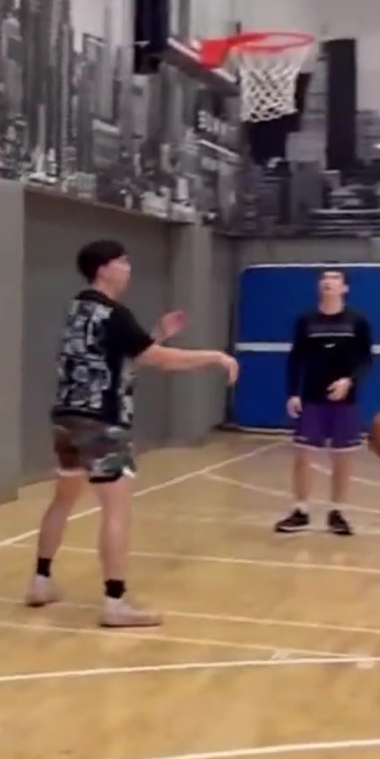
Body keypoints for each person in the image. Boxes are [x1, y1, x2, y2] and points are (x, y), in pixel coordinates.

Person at [28, 239, 239, 628]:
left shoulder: (78, 309)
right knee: (116, 510)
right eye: (122, 262)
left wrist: (157, 332)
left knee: (63, 499)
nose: (128, 268)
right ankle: (115, 602)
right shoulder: (115, 314)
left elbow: (122, 360)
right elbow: (160, 361)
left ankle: (41, 580)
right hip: (102, 420)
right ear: (104, 269)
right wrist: (215, 356)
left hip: (67, 416)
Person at [274, 267, 373, 538]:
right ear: (320, 286)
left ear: (345, 288)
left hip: (346, 400)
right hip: (311, 397)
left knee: (342, 457)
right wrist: (293, 393)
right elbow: (295, 359)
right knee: (303, 456)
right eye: (325, 279)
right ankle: (301, 511)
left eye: (335, 278)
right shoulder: (306, 321)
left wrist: (348, 381)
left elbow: (366, 359)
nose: (329, 282)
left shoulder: (357, 321)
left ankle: (337, 512)